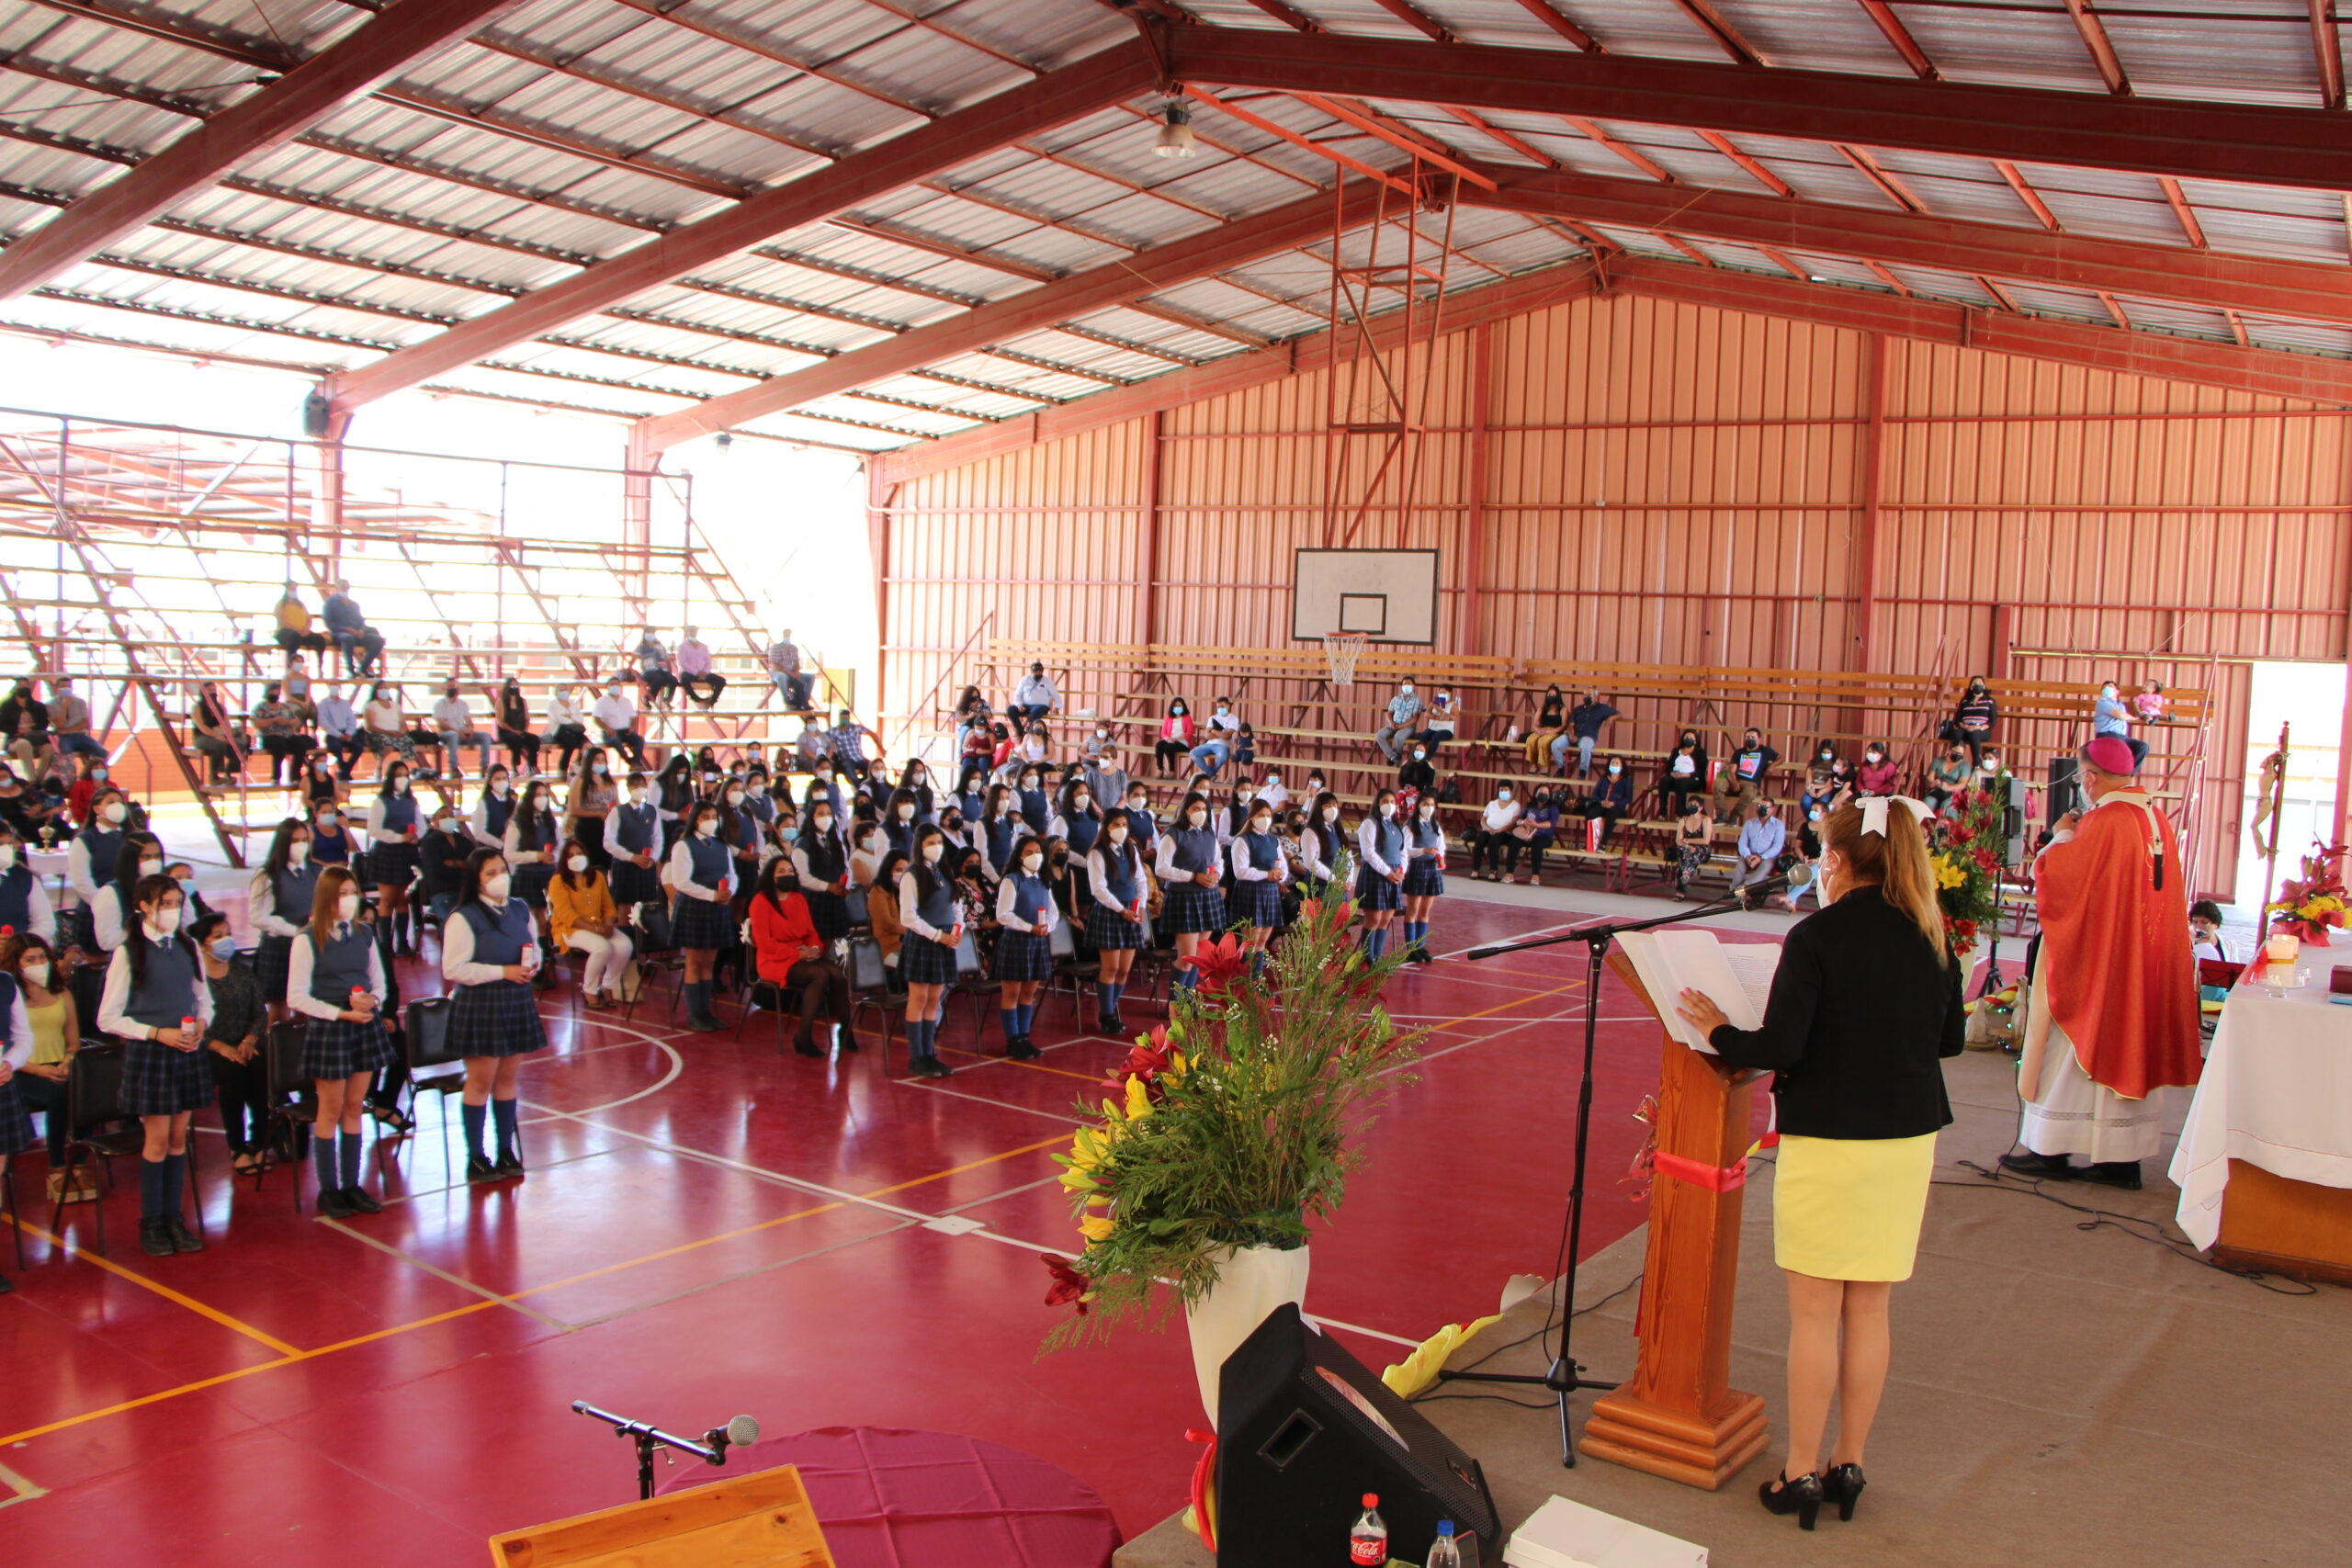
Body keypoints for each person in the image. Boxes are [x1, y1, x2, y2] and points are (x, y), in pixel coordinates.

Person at [1672, 795, 1963, 1530]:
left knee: (1814, 1314)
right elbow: (1951, 1041)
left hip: (1830, 1139)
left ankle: (1800, 1469)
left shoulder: (1816, 937)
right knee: (1869, 1308)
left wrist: (1719, 1028)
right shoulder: (1931, 932)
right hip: (1905, 1142)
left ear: (1834, 859)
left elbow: (1781, 1047)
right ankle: (1848, 1461)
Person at [2000, 736, 2200, 1190]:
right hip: (2141, 963)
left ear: (2089, 778)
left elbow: (2058, 878)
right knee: (2129, 1047)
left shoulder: (2105, 820)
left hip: (2100, 964)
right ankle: (2120, 1161)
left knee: (2069, 1046)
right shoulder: (2154, 817)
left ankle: (2049, 1150)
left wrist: (2062, 833)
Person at [96, 871, 213, 1258]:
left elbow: (203, 999)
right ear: (145, 907)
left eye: (177, 904)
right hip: (151, 1053)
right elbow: (108, 1018)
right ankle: (152, 1221)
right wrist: (156, 1033)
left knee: (179, 1139)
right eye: (165, 904)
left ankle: (173, 1217)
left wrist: (201, 1024)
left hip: (186, 1050)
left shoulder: (187, 946)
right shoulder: (129, 952)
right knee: (158, 1140)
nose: (172, 911)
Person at [287, 866, 394, 1216]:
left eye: (352, 893)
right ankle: (328, 1188)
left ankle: (351, 1184)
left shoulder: (364, 934)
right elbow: (296, 996)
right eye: (342, 894)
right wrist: (340, 1013)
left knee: (354, 1107)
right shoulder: (307, 938)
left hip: (363, 1024)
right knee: (330, 1109)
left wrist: (372, 1001)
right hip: (331, 1028)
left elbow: (379, 981)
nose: (349, 900)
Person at [442, 849, 548, 1182]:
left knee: (506, 1079)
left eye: (502, 870)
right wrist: (502, 972)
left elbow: (534, 947)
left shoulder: (519, 909)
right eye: (490, 872)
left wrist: (533, 965)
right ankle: (476, 1156)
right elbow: (454, 969)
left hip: (515, 1000)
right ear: (476, 879)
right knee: (480, 1080)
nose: (500, 877)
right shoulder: (464, 917)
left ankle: (505, 1149)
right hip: (481, 1004)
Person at [746, 857, 850, 1056]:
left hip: (801, 954)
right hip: (774, 959)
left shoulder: (798, 899)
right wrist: (798, 953)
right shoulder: (760, 901)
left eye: (790, 870)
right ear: (771, 876)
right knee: (819, 975)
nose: (787, 874)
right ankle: (803, 1035)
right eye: (781, 871)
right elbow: (765, 943)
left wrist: (815, 949)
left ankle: (846, 1030)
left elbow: (811, 932)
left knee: (837, 973)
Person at [8, 932, 81, 1202]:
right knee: (58, 1093)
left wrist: (66, 1063)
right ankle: (57, 1165)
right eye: (31, 959)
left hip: (60, 1066)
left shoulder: (62, 994)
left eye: (42, 958)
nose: (39, 963)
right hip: (23, 1070)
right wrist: (41, 1070)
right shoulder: (10, 998)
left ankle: (80, 1162)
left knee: (85, 1090)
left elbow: (74, 1042)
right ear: (16, 965)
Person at [898, 824, 963, 1078]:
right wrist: (937, 935)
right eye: (930, 843)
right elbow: (908, 917)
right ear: (920, 846)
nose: (936, 847)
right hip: (925, 940)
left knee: (934, 999)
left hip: (945, 939)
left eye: (939, 842)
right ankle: (918, 1056)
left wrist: (956, 931)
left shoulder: (943, 872)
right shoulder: (912, 874)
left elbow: (955, 905)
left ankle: (930, 1053)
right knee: (919, 998)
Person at [669, 799, 737, 1032]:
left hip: (717, 907)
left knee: (709, 961)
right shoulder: (684, 845)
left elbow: (731, 875)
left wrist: (728, 892)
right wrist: (711, 895)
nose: (710, 821)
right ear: (695, 819)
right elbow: (681, 881)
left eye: (713, 817)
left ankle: (705, 1012)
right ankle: (694, 1014)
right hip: (695, 907)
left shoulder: (721, 845)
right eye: (705, 817)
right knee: (694, 960)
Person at [988, 834, 1055, 1060]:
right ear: (1019, 856)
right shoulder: (1012, 880)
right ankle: (1013, 1039)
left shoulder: (1043, 880)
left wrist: (1047, 926)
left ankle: (1024, 1036)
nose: (1035, 856)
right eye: (1029, 852)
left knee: (1029, 992)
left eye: (1038, 851)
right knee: (1012, 993)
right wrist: (1029, 927)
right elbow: (1003, 914)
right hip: (1016, 940)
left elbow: (1053, 911)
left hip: (1037, 941)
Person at [549, 838, 633, 1010]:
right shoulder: (558, 881)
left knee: (625, 945)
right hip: (570, 928)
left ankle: (608, 986)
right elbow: (567, 915)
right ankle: (589, 990)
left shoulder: (598, 876)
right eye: (571, 855)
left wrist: (608, 925)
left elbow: (609, 906)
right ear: (564, 860)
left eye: (579, 853)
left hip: (599, 925)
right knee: (603, 948)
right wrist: (595, 929)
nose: (576, 857)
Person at [1085, 807, 1148, 1033]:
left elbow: (1140, 880)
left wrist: (1140, 905)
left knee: (1124, 969)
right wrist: (1122, 910)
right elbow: (1099, 889)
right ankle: (1107, 1014)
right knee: (1110, 967)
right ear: (1106, 828)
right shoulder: (1097, 854)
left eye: (1124, 825)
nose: (1121, 829)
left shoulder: (1130, 849)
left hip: (1131, 912)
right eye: (1116, 825)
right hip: (1110, 913)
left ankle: (1110, 1008)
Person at [1155, 791, 1227, 988]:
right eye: (1196, 808)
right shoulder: (1173, 834)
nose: (1200, 812)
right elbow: (1161, 868)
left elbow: (1218, 861)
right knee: (1186, 957)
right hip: (1184, 897)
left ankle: (1188, 996)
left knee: (1198, 956)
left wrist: (1216, 875)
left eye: (1203, 809)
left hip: (1207, 895)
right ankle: (1177, 1000)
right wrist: (1193, 876)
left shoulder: (1208, 833)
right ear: (1186, 810)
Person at [249, 817, 318, 1019]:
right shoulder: (267, 875)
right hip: (279, 948)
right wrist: (295, 931)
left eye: (304, 840)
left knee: (307, 1007)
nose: (301, 845)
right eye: (295, 841)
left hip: (310, 946)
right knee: (279, 1011)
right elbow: (258, 917)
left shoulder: (316, 871)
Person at [365, 760, 425, 957]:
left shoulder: (411, 801)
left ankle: (403, 943)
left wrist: (416, 836)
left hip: (406, 853)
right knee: (387, 899)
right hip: (387, 852)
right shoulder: (380, 802)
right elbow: (374, 830)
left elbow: (421, 825)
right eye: (398, 775)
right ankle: (385, 944)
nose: (403, 779)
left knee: (402, 899)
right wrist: (399, 837)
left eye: (405, 775)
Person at [1228, 797, 1288, 960]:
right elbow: (1240, 871)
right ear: (1252, 817)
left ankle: (1257, 974)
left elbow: (1283, 865)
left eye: (1268, 815)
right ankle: (1244, 973)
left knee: (1262, 941)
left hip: (1270, 891)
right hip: (1251, 891)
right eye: (1262, 815)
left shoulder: (1273, 840)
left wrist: (1280, 875)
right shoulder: (1242, 840)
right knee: (1250, 941)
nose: (1266, 819)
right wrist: (1267, 874)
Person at [93, 831, 168, 954]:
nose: (153, 861)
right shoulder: (111, 893)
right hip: (131, 957)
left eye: (157, 856)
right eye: (146, 857)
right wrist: (146, 933)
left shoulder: (168, 887)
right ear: (131, 859)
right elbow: (107, 941)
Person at [1355, 789, 1408, 961]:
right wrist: (1387, 872)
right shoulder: (1370, 823)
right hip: (1376, 874)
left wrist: (1401, 870)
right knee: (1373, 919)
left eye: (1392, 801)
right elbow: (1368, 852)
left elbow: (1403, 851)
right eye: (1385, 801)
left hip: (1394, 875)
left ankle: (1377, 957)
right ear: (1378, 803)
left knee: (1386, 919)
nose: (1389, 805)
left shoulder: (1396, 826)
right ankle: (1367, 958)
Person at [603, 770, 663, 912]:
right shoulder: (618, 811)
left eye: (642, 785)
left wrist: (653, 858)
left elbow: (658, 838)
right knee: (624, 907)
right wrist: (631, 857)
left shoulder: (652, 811)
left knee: (648, 907)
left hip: (646, 865)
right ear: (628, 788)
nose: (639, 788)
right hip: (624, 865)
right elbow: (608, 841)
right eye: (635, 785)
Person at [1399, 794, 1446, 963]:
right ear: (1419, 806)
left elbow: (1441, 845)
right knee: (1413, 910)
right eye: (1425, 804)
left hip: (1431, 868)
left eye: (1432, 804)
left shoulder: (1435, 825)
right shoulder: (1411, 826)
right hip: (1417, 868)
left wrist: (1440, 857)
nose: (1429, 807)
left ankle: (1420, 945)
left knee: (1425, 911)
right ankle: (1411, 947)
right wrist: (1423, 850)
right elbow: (1405, 849)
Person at [566, 747, 619, 872]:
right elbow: (573, 809)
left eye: (602, 760)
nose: (600, 762)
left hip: (608, 826)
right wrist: (598, 814)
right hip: (588, 827)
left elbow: (617, 802)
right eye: (596, 759)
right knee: (591, 865)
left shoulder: (610, 780)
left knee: (607, 863)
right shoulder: (580, 780)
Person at [0, 826, 56, 943]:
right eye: (0, 844)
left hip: (20, 950)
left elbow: (44, 922)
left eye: (9, 844)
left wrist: (21, 943)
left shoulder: (23, 877)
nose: (6, 849)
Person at [251, 682, 313, 787]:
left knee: (300, 744)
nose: (275, 694)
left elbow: (296, 721)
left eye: (277, 692)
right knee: (279, 746)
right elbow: (256, 723)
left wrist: (287, 722)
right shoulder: (260, 707)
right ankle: (276, 776)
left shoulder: (285, 707)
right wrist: (273, 720)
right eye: (272, 691)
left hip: (287, 734)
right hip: (269, 736)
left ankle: (295, 776)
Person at [432, 681, 494, 779]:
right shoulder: (439, 705)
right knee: (453, 735)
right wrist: (458, 732)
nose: (452, 689)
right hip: (446, 734)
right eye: (449, 686)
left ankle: (484, 767)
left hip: (462, 733)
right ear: (444, 688)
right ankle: (453, 768)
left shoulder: (462, 704)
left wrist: (470, 729)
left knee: (485, 736)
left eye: (454, 686)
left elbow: (469, 721)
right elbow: (441, 724)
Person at [1714, 728, 1779, 821]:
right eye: (1748, 737)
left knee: (1749, 794)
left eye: (1753, 737)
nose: (1750, 739)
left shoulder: (1765, 751)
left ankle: (1734, 815)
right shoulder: (1739, 752)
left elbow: (1780, 758)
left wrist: (1772, 766)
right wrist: (1734, 783)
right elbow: (1731, 770)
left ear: (1759, 739)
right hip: (1735, 779)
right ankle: (1722, 815)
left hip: (1751, 782)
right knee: (1718, 785)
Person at [363, 682, 427, 773]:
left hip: (396, 733)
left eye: (385, 688)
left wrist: (401, 732)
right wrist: (388, 732)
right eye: (381, 688)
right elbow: (370, 726)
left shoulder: (395, 706)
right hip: (379, 733)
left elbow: (403, 723)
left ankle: (400, 767)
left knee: (409, 742)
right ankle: (379, 766)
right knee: (388, 745)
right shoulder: (371, 705)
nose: (384, 690)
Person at [189, 679, 243, 784]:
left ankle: (229, 772)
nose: (212, 692)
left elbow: (227, 724)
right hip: (202, 736)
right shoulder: (197, 707)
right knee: (218, 744)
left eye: (214, 690)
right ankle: (214, 776)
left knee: (240, 743)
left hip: (221, 734)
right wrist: (216, 735)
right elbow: (202, 727)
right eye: (209, 690)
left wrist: (228, 735)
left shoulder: (221, 707)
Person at [592, 677, 648, 769]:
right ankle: (629, 761)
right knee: (615, 740)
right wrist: (607, 728)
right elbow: (596, 719)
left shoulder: (626, 701)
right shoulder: (601, 701)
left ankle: (636, 762)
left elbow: (633, 717)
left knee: (639, 740)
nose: (615, 686)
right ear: (607, 686)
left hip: (625, 730)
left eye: (617, 684)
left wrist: (632, 727)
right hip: (610, 731)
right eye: (612, 684)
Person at [48, 674, 106, 763]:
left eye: (68, 687)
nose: (66, 689)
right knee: (64, 753)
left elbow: (85, 723)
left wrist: (66, 730)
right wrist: (64, 706)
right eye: (63, 687)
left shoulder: (80, 702)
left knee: (101, 752)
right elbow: (59, 724)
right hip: (63, 737)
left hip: (80, 735)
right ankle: (68, 771)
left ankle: (94, 770)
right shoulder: (50, 705)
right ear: (56, 689)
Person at [1558, 692, 1618, 777]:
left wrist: (1611, 718)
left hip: (1588, 736)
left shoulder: (1602, 708)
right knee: (1555, 744)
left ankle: (1583, 771)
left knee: (1586, 747)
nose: (1587, 696)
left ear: (1595, 696)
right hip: (1574, 735)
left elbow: (1619, 714)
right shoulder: (1577, 709)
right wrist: (1571, 735)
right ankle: (1561, 768)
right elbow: (1570, 725)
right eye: (1585, 695)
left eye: (1589, 695)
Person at [1468, 784, 1521, 881]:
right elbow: (1483, 819)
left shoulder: (1515, 805)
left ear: (1511, 792)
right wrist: (1487, 828)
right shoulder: (1492, 803)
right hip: (1489, 830)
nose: (1503, 792)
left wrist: (1499, 830)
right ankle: (1475, 869)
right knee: (1479, 840)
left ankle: (1493, 870)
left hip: (1504, 832)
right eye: (1501, 790)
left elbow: (1513, 823)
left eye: (1506, 789)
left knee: (1494, 841)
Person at [2091, 679, 2147, 770]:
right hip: (2107, 735)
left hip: (2121, 736)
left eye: (2110, 687)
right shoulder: (2102, 702)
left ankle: (2129, 773)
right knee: (2120, 749)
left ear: (2117, 691)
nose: (2106, 689)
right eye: (2104, 688)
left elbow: (2123, 715)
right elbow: (2120, 715)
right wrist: (2131, 717)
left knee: (2142, 747)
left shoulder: (2121, 705)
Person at [1944, 676, 1997, 764]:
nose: (1977, 685)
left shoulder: (1990, 701)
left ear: (1984, 686)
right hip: (1966, 728)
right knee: (1956, 733)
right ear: (1971, 687)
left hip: (1982, 731)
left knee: (1974, 734)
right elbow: (1958, 718)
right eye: (1975, 683)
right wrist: (1965, 726)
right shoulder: (1965, 701)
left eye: (1980, 683)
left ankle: (1976, 764)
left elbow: (1992, 721)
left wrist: (1978, 727)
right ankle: (1955, 760)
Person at [490, 676, 537, 773]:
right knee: (516, 740)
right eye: (512, 686)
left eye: (516, 686)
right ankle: (515, 766)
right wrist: (514, 731)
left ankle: (531, 765)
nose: (514, 688)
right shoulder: (501, 702)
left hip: (521, 731)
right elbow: (501, 722)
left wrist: (524, 731)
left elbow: (527, 718)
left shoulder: (522, 701)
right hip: (506, 733)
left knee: (534, 740)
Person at [1583, 757, 1634, 848]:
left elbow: (1628, 798)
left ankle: (1603, 843)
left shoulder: (1626, 780)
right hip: (1602, 804)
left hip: (1616, 807)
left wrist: (1614, 803)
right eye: (1612, 762)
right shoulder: (1604, 778)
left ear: (1622, 766)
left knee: (1611, 815)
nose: (1614, 764)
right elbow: (1595, 794)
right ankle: (1590, 842)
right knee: (1591, 813)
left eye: (1617, 763)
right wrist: (1601, 801)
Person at [1736, 802, 1786, 893]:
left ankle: (1744, 889)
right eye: (1760, 806)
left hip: (1768, 857)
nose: (1762, 809)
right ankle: (1733, 889)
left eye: (1765, 807)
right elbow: (1742, 843)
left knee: (1765, 867)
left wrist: (1761, 857)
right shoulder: (1749, 823)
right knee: (1740, 865)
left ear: (1772, 809)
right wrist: (1747, 856)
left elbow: (1777, 847)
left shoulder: (1779, 825)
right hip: (1750, 854)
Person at [316, 682, 364, 778]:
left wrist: (349, 733)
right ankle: (344, 769)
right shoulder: (323, 704)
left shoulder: (344, 703)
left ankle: (345, 770)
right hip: (332, 734)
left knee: (358, 747)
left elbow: (351, 719)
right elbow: (324, 723)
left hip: (346, 732)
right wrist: (339, 735)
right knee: (336, 747)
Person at [322, 579, 368, 675]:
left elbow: (361, 620)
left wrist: (361, 630)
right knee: (348, 638)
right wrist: (345, 629)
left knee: (377, 641)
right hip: (338, 633)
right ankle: (350, 669)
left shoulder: (354, 604)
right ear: (337, 587)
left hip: (356, 633)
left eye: (347, 587)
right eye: (343, 586)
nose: (345, 589)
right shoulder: (329, 603)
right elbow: (328, 623)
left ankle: (364, 668)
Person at [1374, 680, 1423, 764]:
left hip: (1407, 727)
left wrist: (1401, 726)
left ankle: (1396, 760)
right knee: (1379, 735)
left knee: (1399, 737)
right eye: (1404, 684)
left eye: (1409, 684)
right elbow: (1389, 713)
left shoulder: (1417, 700)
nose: (1406, 686)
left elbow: (1415, 718)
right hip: (1393, 725)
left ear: (1414, 686)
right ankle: (1393, 756)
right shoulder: (1395, 699)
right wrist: (1391, 723)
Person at [546, 681, 590, 775]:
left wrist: (569, 717)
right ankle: (562, 767)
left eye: (565, 690)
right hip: (559, 730)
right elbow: (558, 719)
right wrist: (572, 719)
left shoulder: (572, 703)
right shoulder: (553, 704)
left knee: (586, 743)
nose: (563, 692)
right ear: (556, 692)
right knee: (570, 743)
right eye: (561, 690)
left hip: (574, 729)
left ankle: (580, 764)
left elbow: (580, 718)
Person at [1661, 730, 1708, 818]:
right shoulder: (1676, 751)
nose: (1688, 739)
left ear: (1696, 740)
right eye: (1686, 737)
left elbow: (1701, 771)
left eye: (1691, 738)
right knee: (1664, 781)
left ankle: (1680, 813)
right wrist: (1671, 773)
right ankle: (1663, 812)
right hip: (1676, 775)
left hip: (1692, 779)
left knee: (1681, 782)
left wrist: (1686, 775)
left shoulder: (1700, 752)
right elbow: (1668, 767)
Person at [1674, 795, 1713, 897]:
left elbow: (1706, 840)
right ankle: (1686, 874)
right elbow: (1678, 840)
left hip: (1701, 849)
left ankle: (1682, 884)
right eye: (1690, 804)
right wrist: (1688, 846)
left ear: (1701, 807)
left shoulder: (1706, 819)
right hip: (1686, 848)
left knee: (1691, 852)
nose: (1692, 806)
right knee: (1684, 850)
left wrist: (1689, 841)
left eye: (1695, 805)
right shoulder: (1683, 820)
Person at [676, 626, 725, 708]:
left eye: (694, 631)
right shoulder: (682, 646)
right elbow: (683, 663)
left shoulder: (703, 646)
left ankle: (712, 701)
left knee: (721, 681)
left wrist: (704, 671)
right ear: (687, 632)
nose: (693, 632)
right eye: (691, 631)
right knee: (684, 678)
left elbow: (708, 661)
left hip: (703, 672)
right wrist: (696, 672)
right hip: (689, 673)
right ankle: (696, 699)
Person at [767, 628, 813, 712]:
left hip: (792, 672)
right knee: (782, 676)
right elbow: (775, 665)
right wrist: (791, 674)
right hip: (779, 673)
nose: (788, 636)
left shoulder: (794, 648)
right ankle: (787, 701)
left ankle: (804, 701)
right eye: (786, 634)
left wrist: (796, 672)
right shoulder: (775, 647)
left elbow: (796, 662)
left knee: (811, 677)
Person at [1521, 685, 1566, 767]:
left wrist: (1551, 731)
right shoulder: (1542, 708)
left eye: (1553, 695)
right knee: (1531, 740)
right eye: (1549, 695)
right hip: (1542, 730)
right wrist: (1538, 730)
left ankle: (1544, 765)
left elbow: (1564, 725)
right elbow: (1535, 723)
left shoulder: (1563, 709)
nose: (1551, 696)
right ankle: (1534, 764)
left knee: (1543, 742)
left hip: (1555, 731)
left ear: (1558, 696)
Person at [633, 628, 677, 711]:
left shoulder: (659, 646)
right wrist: (632, 670)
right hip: (648, 671)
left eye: (652, 633)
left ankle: (667, 700)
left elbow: (667, 659)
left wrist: (669, 671)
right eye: (649, 633)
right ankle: (647, 699)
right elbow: (633, 659)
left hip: (662, 670)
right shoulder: (641, 647)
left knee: (673, 680)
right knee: (658, 679)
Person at [1155, 697, 1195, 775]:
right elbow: (1163, 733)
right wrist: (1167, 738)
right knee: (1159, 745)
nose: (1177, 707)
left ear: (1183, 707)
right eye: (1175, 706)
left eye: (1179, 706)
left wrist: (1176, 739)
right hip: (1170, 740)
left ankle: (1171, 771)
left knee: (1169, 747)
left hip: (1183, 742)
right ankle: (1160, 769)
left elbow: (1189, 733)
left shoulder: (1187, 718)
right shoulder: (1168, 718)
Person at [1924, 744, 1969, 813]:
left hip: (1953, 794)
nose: (1957, 755)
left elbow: (1962, 784)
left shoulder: (1964, 765)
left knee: (1947, 805)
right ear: (1949, 750)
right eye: (1955, 752)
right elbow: (1930, 777)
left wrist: (1948, 788)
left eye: (1960, 754)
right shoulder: (1937, 761)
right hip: (1937, 791)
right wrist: (1933, 783)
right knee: (1928, 801)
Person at [2188, 899, 2232, 963]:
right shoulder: (2189, 944)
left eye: (2204, 922)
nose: (2198, 926)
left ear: (2216, 924)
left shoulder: (2229, 945)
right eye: (2195, 922)